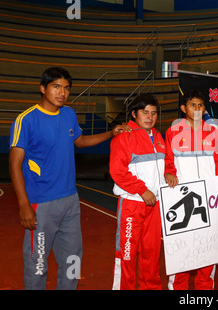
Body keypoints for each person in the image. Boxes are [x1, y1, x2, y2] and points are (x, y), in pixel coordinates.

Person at [9, 67, 129, 290]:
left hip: (71, 201)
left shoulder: (68, 114)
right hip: (41, 203)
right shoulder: (26, 120)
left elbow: (80, 141)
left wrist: (111, 133)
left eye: (66, 88)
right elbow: (14, 163)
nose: (62, 93)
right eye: (56, 87)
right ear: (43, 88)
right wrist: (24, 204)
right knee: (38, 263)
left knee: (73, 259)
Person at [164, 90, 218, 290]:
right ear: (184, 108)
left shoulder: (212, 132)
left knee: (207, 247)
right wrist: (169, 173)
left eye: (200, 105)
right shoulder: (173, 131)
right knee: (182, 248)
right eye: (193, 105)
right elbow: (168, 161)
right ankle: (178, 287)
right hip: (182, 199)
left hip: (208, 198)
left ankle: (205, 287)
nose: (197, 109)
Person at [109, 94, 165, 290]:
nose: (150, 117)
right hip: (132, 204)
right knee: (127, 253)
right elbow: (117, 172)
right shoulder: (124, 136)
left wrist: (170, 174)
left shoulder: (159, 137)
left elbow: (167, 166)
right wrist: (142, 190)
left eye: (154, 113)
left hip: (155, 205)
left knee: (151, 252)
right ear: (134, 114)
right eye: (145, 112)